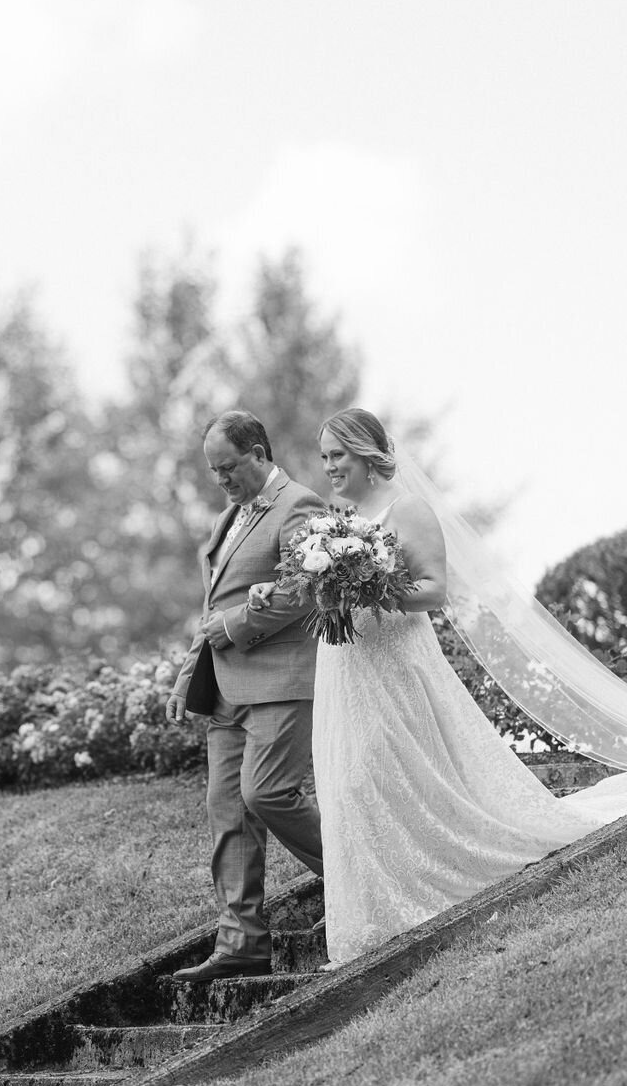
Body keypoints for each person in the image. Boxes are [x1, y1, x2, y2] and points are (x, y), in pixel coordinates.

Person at [252, 407, 627, 967]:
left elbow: (432, 590)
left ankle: (425, 885)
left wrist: (371, 587)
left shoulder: (410, 510)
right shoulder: (339, 519)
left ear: (367, 455)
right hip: (346, 667)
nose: (328, 466)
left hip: (396, 662)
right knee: (349, 782)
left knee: (378, 772)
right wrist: (291, 588)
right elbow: (320, 589)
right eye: (325, 456)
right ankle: (373, 912)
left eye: (337, 456)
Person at [164, 410, 325, 982]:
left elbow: (306, 588)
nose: (221, 481)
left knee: (267, 794)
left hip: (281, 680)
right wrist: (189, 674)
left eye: (228, 467)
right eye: (213, 471)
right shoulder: (227, 518)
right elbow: (212, 608)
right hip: (225, 689)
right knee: (226, 812)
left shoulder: (301, 505)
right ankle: (242, 942)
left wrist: (234, 625)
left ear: (258, 451)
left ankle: (358, 876)